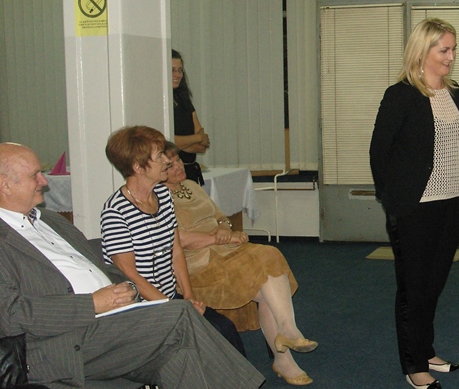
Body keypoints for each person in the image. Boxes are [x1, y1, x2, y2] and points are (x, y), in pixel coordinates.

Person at [0, 142, 264, 388]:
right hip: (65, 341)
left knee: (179, 356)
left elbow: (106, 268)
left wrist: (132, 292)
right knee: (180, 315)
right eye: (35, 175)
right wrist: (93, 304)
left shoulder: (51, 220)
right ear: (5, 185)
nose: (44, 181)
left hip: (116, 320)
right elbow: (10, 316)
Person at [162, 140, 316, 386]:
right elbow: (175, 238)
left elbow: (219, 216)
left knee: (269, 270)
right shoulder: (159, 198)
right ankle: (286, 342)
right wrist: (217, 237)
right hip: (198, 264)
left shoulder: (191, 185)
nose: (179, 166)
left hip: (224, 250)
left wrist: (226, 228)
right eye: (170, 165)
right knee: (267, 266)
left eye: (178, 160)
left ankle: (285, 347)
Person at [369, 18, 459, 389]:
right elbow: (379, 152)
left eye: (453, 49)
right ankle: (413, 365)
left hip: (451, 202)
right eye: (444, 50)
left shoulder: (452, 91)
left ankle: (425, 350)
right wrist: (394, 201)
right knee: (413, 288)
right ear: (422, 51)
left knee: (434, 283)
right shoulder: (401, 94)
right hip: (415, 207)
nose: (451, 56)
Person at [99, 125, 246, 357]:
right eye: (159, 156)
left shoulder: (164, 195)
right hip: (141, 307)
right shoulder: (116, 212)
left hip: (170, 298)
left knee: (224, 328)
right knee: (208, 336)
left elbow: (176, 250)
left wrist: (188, 296)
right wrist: (174, 307)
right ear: (138, 167)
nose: (167, 161)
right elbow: (129, 274)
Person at [172, 49, 209, 185]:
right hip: (171, 175)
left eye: (180, 70)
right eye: (172, 70)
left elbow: (203, 145)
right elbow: (166, 142)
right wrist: (197, 138)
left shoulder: (184, 100)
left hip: (190, 172)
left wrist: (179, 143)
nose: (177, 75)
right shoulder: (160, 103)